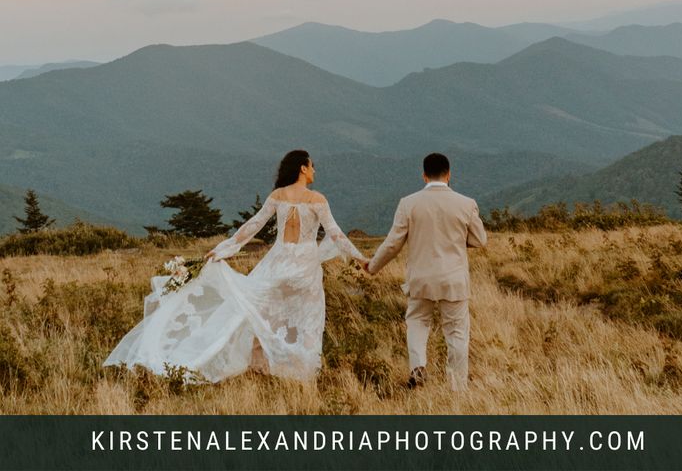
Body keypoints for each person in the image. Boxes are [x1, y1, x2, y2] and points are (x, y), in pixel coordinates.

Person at [103, 150, 366, 383]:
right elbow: (337, 235)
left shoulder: (278, 195)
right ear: (302, 168)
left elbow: (251, 227)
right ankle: (301, 370)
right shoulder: (317, 199)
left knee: (259, 312)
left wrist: (223, 249)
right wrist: (362, 259)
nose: (314, 171)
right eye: (312, 166)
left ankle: (260, 362)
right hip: (305, 267)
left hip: (277, 262)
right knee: (306, 317)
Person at [366, 152, 486, 391]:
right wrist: (458, 240)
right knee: (456, 333)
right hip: (453, 279)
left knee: (417, 323)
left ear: (423, 175)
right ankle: (457, 386)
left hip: (420, 278)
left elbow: (393, 243)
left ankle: (418, 368)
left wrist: (373, 266)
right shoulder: (466, 203)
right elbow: (480, 239)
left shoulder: (408, 203)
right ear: (449, 174)